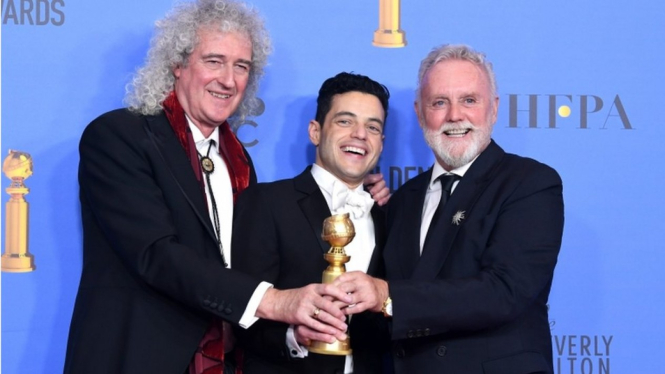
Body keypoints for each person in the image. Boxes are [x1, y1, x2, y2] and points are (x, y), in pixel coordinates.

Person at [63, 1, 388, 373]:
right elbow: (156, 255)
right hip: (138, 357)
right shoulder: (120, 136)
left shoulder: (236, 161)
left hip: (221, 361)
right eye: (214, 61)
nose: (228, 80)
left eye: (242, 66)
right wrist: (274, 301)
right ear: (178, 63)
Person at [334, 44, 564, 374]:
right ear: (419, 112)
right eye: (439, 102)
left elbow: (504, 291)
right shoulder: (402, 201)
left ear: (494, 109)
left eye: (469, 100)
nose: (455, 115)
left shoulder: (530, 183)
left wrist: (387, 294)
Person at [232, 72, 392, 374]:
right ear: (315, 132)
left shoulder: (391, 217)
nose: (360, 134)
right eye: (345, 121)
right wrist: (294, 337)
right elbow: (239, 306)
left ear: (381, 144)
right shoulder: (267, 202)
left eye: (373, 127)